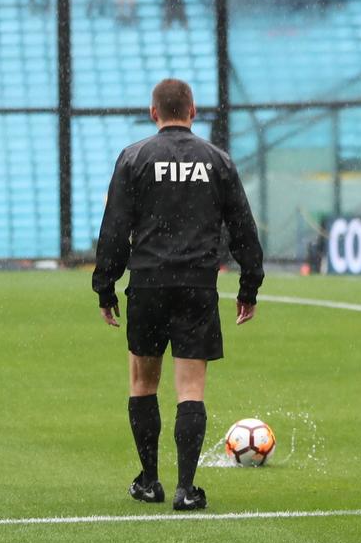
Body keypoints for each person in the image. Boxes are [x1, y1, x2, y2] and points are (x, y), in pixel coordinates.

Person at [92, 78, 264, 512]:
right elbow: (243, 227)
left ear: (154, 113)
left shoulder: (134, 157)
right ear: (193, 111)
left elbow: (114, 227)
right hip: (196, 285)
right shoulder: (217, 160)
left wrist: (105, 285)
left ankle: (150, 481)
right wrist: (250, 284)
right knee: (191, 389)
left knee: (142, 382)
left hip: (147, 283)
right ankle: (187, 489)